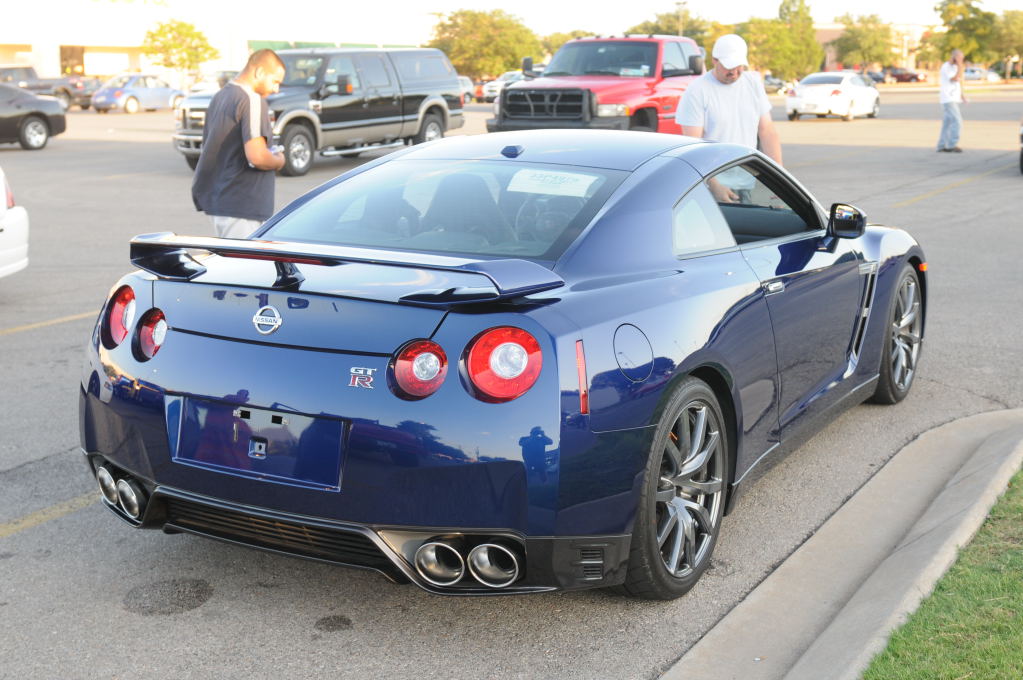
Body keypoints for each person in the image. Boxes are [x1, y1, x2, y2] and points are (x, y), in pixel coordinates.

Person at [676, 34, 782, 203]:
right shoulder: (697, 90)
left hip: (746, 181)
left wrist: (779, 178)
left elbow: (767, 131)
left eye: (739, 66)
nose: (734, 72)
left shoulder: (753, 83)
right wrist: (713, 185)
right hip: (709, 186)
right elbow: (693, 147)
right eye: (728, 66)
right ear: (714, 60)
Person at [192, 49, 286, 239]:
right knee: (244, 258)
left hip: (220, 200)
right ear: (259, 72)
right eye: (275, 81)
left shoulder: (221, 96)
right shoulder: (251, 99)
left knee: (229, 257)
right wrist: (279, 160)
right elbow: (258, 157)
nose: (276, 89)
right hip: (242, 205)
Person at [937, 49, 966, 153]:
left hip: (954, 98)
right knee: (957, 121)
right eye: (959, 58)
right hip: (948, 98)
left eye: (962, 58)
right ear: (954, 57)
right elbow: (954, 78)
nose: (961, 60)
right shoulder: (946, 67)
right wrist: (960, 67)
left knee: (947, 123)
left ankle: (941, 145)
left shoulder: (955, 67)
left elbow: (959, 81)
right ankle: (951, 145)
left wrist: (962, 95)